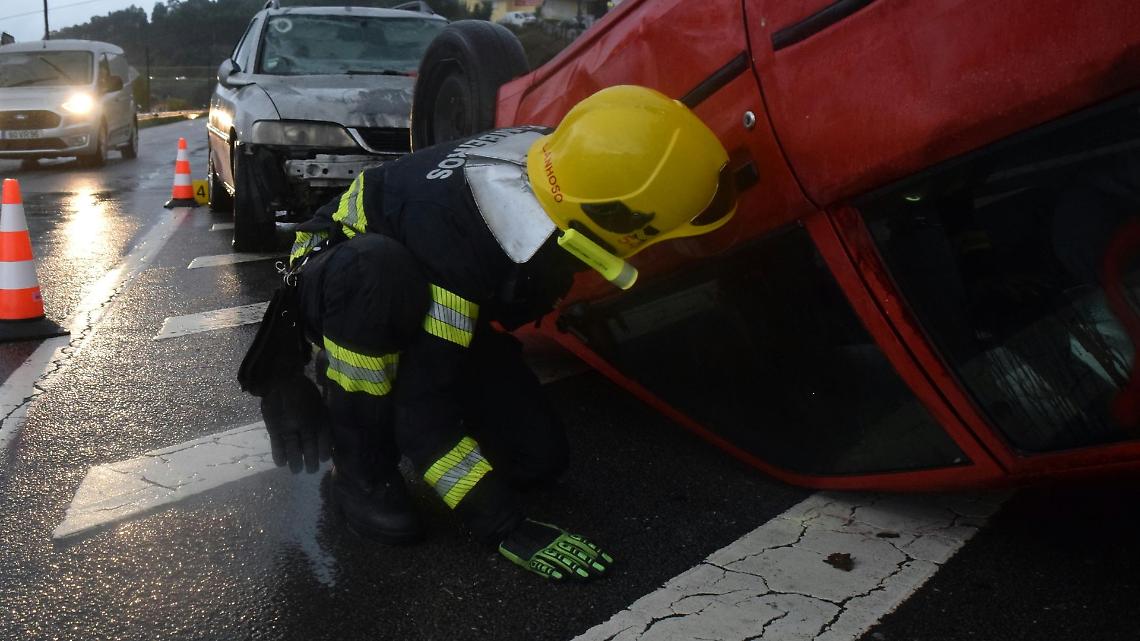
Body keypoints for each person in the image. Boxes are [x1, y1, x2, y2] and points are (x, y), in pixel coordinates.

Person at [239, 85, 738, 582]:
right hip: (346, 279)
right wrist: (503, 525)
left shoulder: (570, 161)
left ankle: (403, 381)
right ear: (616, 219)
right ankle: (359, 467)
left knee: (537, 460)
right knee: (379, 278)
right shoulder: (464, 242)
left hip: (426, 278)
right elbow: (422, 414)